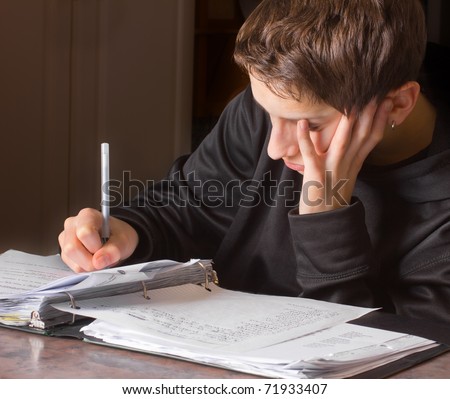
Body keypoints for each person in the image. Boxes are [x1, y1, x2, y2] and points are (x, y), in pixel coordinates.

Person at [59, 0, 450, 324]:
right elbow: (190, 208)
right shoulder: (271, 107)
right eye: (267, 113)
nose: (275, 148)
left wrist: (325, 212)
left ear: (398, 104)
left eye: (309, 124)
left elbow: (395, 356)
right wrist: (128, 232)